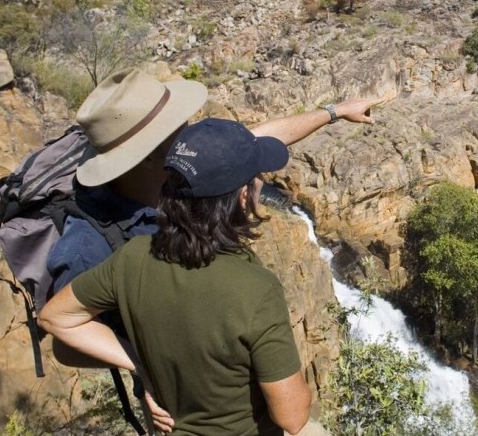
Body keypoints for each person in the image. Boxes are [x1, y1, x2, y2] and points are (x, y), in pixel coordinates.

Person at [43, 68, 384, 431]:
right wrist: (142, 361)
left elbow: (247, 145)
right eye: (178, 128)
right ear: (146, 155)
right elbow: (66, 343)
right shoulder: (90, 243)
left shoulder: (181, 175)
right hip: (177, 403)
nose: (189, 134)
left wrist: (335, 111)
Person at [40, 119, 311, 435]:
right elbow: (292, 417)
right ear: (241, 197)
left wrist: (140, 363)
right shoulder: (255, 289)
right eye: (257, 177)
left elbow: (55, 318)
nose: (262, 183)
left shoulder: (133, 256)